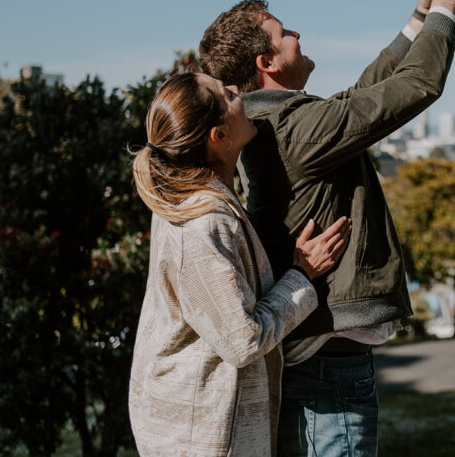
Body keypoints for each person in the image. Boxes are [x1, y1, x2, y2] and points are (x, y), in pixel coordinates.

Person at [198, 0, 455, 456]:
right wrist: (447, 0)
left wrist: (421, 12)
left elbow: (361, 95)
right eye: (284, 34)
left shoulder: (279, 122)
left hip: (320, 352)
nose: (297, 35)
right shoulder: (293, 129)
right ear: (268, 63)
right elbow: (407, 91)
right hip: (331, 361)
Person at [127, 71, 352, 456]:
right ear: (220, 137)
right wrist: (302, 275)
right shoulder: (202, 222)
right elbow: (242, 340)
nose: (239, 95)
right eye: (227, 95)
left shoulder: (196, 199)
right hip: (202, 433)